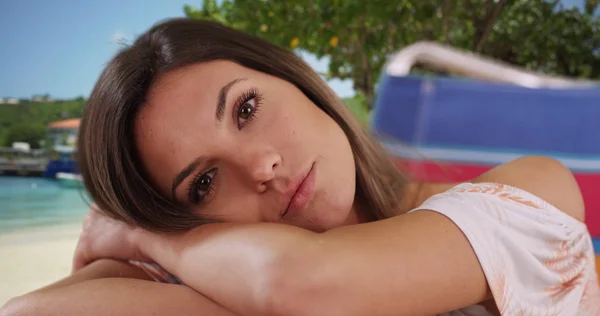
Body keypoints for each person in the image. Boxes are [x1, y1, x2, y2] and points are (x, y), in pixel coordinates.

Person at [2, 18, 599, 316]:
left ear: (295, 79)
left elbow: (301, 280)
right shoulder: (234, 285)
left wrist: (142, 236)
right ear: (191, 222)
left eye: (246, 108)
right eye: (203, 183)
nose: (260, 164)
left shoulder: (532, 189)